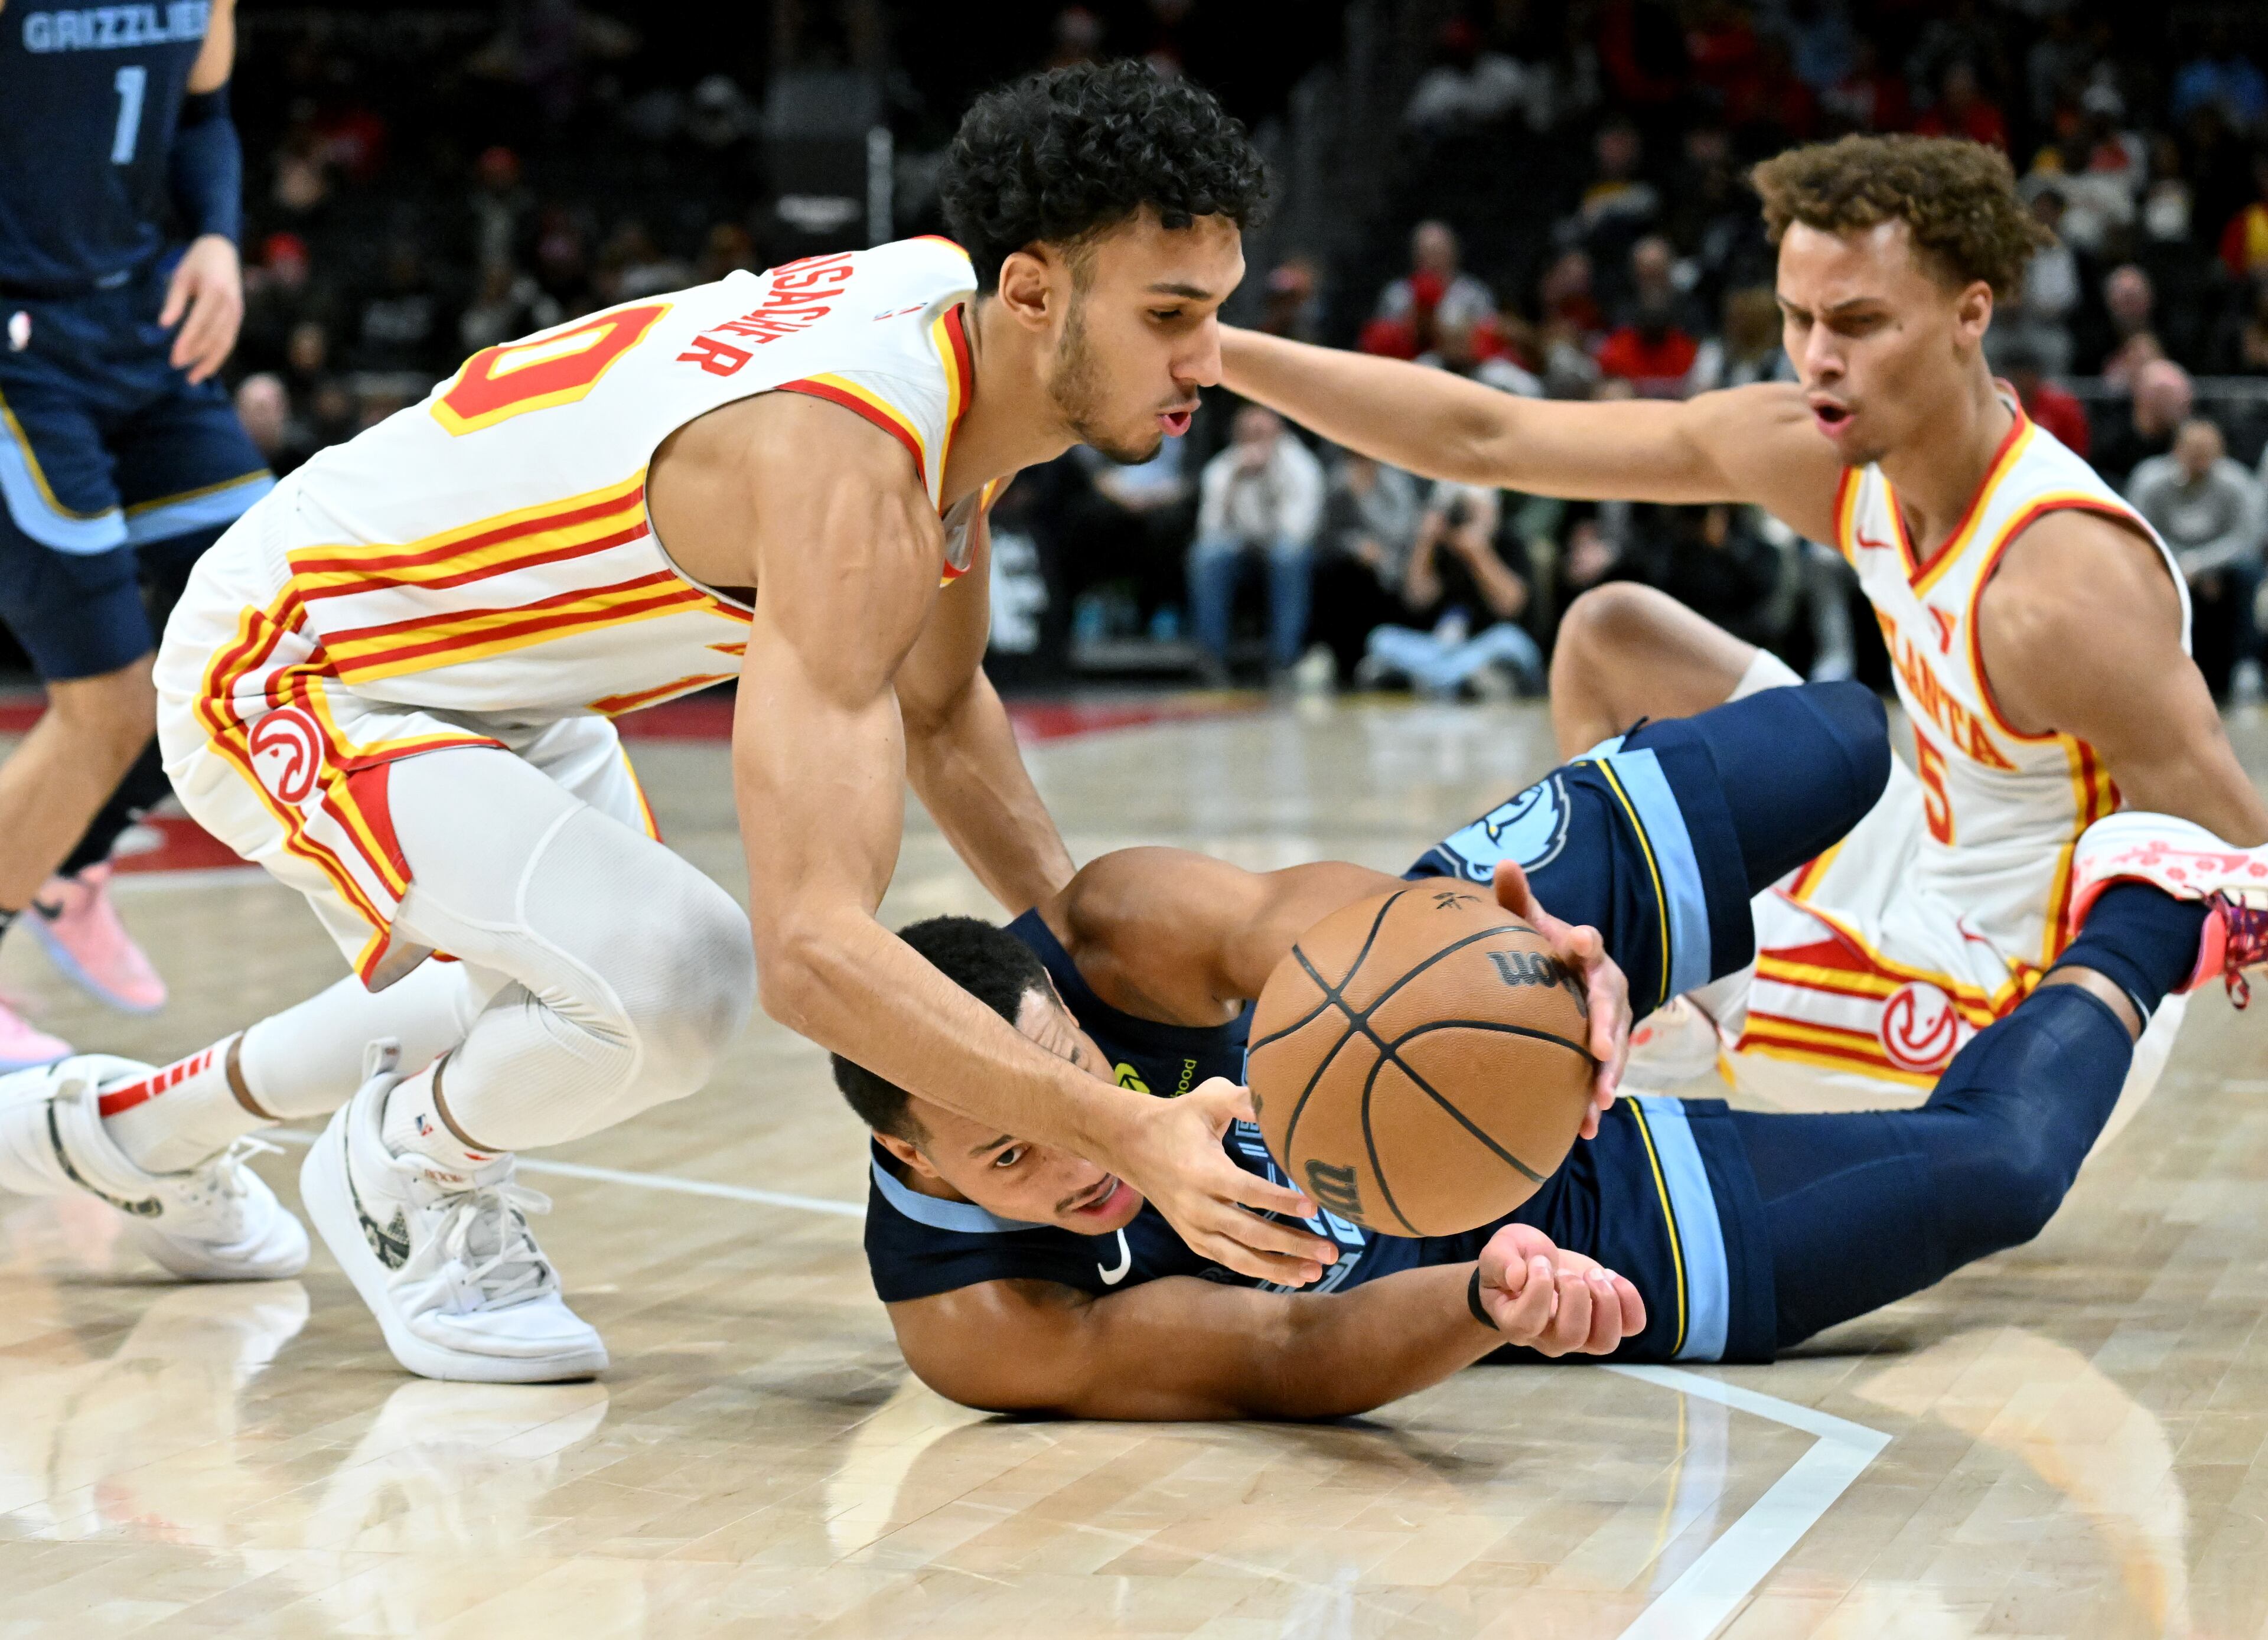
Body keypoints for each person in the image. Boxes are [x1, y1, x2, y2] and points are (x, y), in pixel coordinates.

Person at [0, 64, 1339, 1383]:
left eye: (1215, 311)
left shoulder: (951, 320)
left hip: (482, 666)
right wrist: (1125, 1126)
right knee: (674, 977)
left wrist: (1097, 992)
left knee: (536, 984)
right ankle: (409, 1162)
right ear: (1035, 289)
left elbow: (940, 706)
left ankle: (120, 1134)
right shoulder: (848, 464)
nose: (1208, 362)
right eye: (1172, 315)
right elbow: (808, 952)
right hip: (300, 658)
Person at [836, 682, 2263, 1419]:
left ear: (1070, 1026)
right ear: (909, 1153)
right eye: (1008, 1153)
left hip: (1432, 992)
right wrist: (1488, 1297)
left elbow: (1320, 933)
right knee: (1997, 1174)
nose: (1079, 1160)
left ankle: (1722, 973)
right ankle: (2152, 905)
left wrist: (1514, 947)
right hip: (1515, 1223)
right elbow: (1279, 1344)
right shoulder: (972, 1316)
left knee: (1838, 743)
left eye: (1071, 1096)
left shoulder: (1107, 931)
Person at [1220, 132, 2268, 1101]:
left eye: (1859, 323)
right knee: (1611, 634)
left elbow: (2247, 849)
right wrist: (1222, 354)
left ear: (1971, 314)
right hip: (1929, 857)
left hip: (2023, 1002)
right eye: (1797, 317)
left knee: (1556, 977)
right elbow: (1491, 436)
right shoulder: (1832, 450)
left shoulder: (2056, 591)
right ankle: (1668, 1025)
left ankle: (1637, 1061)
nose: (1817, 358)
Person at [0, 0, 272, 1065]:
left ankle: (74, 862)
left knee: (288, 623)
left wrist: (216, 234)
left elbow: (204, 112)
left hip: (142, 326)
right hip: (19, 356)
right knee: (106, 702)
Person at [2128, 418, 2267, 702]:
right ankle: (2141, 665)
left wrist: (2201, 566)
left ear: (2220, 452)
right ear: (2176, 449)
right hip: (2165, 562)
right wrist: (2181, 564)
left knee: (2249, 571)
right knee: (2132, 569)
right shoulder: (2149, 479)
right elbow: (2138, 532)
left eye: (2207, 452)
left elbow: (2247, 538)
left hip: (2221, 567)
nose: (2199, 459)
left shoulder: (2236, 482)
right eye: (2192, 450)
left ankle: (2245, 667)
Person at [1185, 405, 1325, 682]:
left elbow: (1299, 531)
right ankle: (1212, 658)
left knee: (1288, 556)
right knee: (1207, 556)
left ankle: (1286, 660)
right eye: (1248, 434)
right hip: (1240, 553)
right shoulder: (1222, 469)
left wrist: (1269, 478)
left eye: (1262, 434)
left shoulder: (1301, 466)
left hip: (1282, 551)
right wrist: (1237, 482)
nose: (1255, 442)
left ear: (1279, 433)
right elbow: (1210, 531)